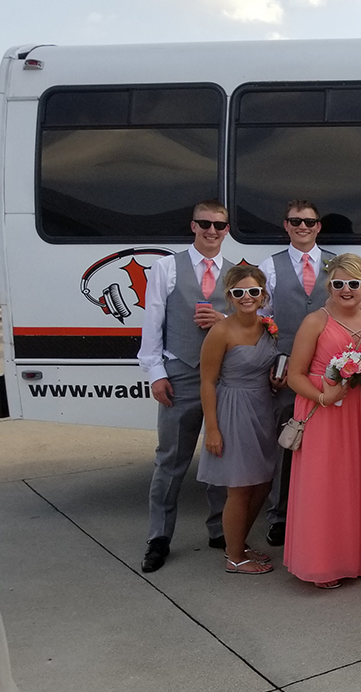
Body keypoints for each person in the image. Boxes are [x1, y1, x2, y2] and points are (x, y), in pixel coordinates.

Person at [137, 199, 233, 573]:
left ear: (227, 230)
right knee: (171, 461)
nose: (212, 231)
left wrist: (222, 318)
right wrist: (156, 372)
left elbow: (250, 320)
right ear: (192, 226)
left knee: (221, 455)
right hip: (179, 374)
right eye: (205, 224)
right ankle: (158, 538)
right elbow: (153, 319)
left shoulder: (236, 272)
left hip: (224, 378)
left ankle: (220, 528)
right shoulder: (166, 267)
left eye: (219, 226)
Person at [284, 254, 361, 589]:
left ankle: (353, 557)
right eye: (338, 284)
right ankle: (321, 563)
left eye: (353, 284)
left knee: (353, 483)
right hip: (321, 410)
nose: (346, 290)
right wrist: (322, 397)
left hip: (356, 412)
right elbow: (294, 375)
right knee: (323, 486)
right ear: (330, 286)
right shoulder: (316, 321)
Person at [198, 265, 285, 575]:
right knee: (239, 486)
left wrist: (275, 382)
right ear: (230, 297)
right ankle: (234, 556)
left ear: (263, 294)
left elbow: (268, 367)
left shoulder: (267, 327)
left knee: (262, 482)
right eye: (239, 293)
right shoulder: (221, 331)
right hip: (233, 409)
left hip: (262, 405)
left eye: (253, 291)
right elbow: (207, 381)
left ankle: (239, 542)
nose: (246, 297)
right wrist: (212, 428)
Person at [258, 200, 333, 548]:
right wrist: (273, 364)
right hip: (287, 369)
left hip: (333, 367)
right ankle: (281, 516)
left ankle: (324, 514)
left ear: (319, 226)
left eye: (309, 221)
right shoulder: (269, 268)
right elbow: (261, 320)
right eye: (295, 221)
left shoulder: (337, 265)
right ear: (285, 225)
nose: (302, 227)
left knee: (332, 445)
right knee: (289, 442)